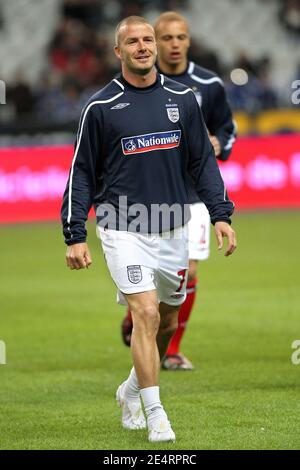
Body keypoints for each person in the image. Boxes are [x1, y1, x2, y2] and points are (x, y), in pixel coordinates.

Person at [61, 16, 236, 443]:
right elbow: (81, 172)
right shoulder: (100, 107)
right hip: (123, 226)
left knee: (167, 321)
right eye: (132, 42)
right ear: (117, 52)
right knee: (146, 311)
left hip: (173, 225)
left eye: (148, 39)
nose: (143, 46)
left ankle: (131, 389)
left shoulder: (183, 98)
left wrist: (221, 214)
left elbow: (202, 163)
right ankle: (155, 413)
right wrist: (75, 233)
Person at [121, 11, 237, 370]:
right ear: (155, 41)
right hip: (146, 194)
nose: (174, 45)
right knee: (151, 274)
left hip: (194, 193)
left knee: (186, 271)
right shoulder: (132, 85)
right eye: (166, 38)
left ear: (189, 41)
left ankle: (170, 350)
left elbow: (228, 129)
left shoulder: (208, 85)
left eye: (180, 38)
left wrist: (219, 143)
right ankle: (138, 318)